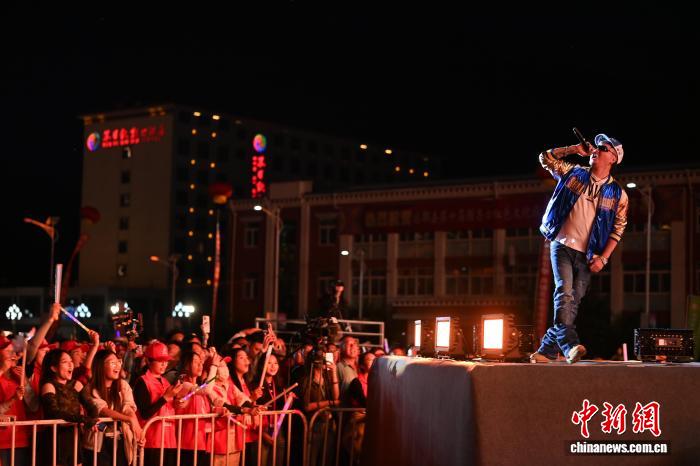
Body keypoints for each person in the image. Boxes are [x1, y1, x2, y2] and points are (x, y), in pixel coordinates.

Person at [531, 133, 628, 364]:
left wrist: (603, 258)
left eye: (603, 149)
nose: (596, 150)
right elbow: (545, 158)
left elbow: (618, 229)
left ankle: (545, 351)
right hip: (561, 244)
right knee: (564, 293)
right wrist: (574, 149)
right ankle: (570, 346)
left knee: (572, 302)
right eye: (596, 147)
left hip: (588, 255)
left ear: (613, 158)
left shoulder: (618, 194)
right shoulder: (573, 173)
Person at [81, 349, 142, 466]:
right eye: (112, 362)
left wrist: (136, 427)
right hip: (97, 442)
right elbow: (102, 410)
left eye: (118, 362)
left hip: (120, 439)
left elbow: (128, 407)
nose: (118, 366)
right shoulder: (89, 389)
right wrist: (129, 419)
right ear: (100, 366)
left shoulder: (123, 385)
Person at [40, 348, 95, 466]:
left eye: (71, 361)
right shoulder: (48, 386)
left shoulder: (76, 384)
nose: (71, 365)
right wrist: (81, 419)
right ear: (53, 368)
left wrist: (93, 420)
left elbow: (92, 406)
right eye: (65, 362)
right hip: (55, 439)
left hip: (74, 437)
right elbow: (54, 413)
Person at [133, 341, 184, 466]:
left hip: (169, 440)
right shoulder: (142, 382)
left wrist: (177, 403)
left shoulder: (165, 382)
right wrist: (165, 398)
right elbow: (144, 413)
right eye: (160, 361)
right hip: (152, 441)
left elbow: (167, 407)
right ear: (148, 361)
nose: (164, 364)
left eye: (166, 361)